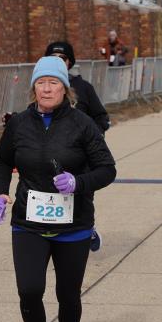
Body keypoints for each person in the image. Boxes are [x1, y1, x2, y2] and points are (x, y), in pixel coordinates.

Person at [0, 56, 116, 322]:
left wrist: (78, 183)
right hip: (28, 222)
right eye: (41, 83)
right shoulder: (19, 123)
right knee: (29, 289)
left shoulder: (82, 124)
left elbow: (107, 169)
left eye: (53, 83)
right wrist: (0, 193)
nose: (46, 89)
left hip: (73, 225)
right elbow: (2, 160)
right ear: (34, 88)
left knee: (68, 294)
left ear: (65, 88)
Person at [45, 41, 109, 252]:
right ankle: (52, 233)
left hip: (82, 156)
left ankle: (86, 229)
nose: (58, 61)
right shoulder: (43, 86)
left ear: (70, 61)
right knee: (52, 194)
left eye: (62, 58)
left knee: (82, 195)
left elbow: (101, 117)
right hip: (53, 154)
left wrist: (92, 136)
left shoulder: (84, 87)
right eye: (52, 57)